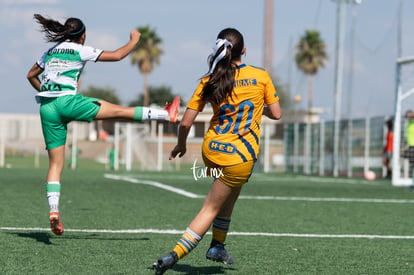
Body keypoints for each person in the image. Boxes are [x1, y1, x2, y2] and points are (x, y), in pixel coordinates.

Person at [26, 14, 180, 236]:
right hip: (68, 102)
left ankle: (53, 211)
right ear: (83, 36)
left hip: (47, 108)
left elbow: (30, 75)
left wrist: (44, 91)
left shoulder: (50, 52)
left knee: (55, 165)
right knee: (119, 111)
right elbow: (117, 55)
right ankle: (167, 115)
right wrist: (135, 40)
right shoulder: (80, 49)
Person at [153, 28, 281, 274]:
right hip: (240, 156)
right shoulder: (260, 76)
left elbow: (185, 123)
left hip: (211, 150)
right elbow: (276, 113)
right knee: (211, 207)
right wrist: (257, 107)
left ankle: (218, 246)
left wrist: (180, 144)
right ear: (243, 50)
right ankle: (172, 256)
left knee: (229, 194)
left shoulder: (208, 79)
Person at [404, 111, 414, 189]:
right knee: (413, 166)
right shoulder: (408, 125)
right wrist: (405, 146)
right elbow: (408, 137)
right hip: (411, 147)